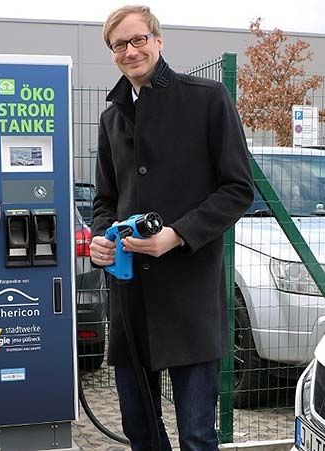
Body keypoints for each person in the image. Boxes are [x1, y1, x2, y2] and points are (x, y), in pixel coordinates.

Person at [90, 6, 254, 450]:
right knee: (139, 430)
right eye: (119, 44)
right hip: (131, 300)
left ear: (159, 41)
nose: (130, 50)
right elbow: (104, 201)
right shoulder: (112, 118)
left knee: (197, 436)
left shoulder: (207, 98)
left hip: (189, 298)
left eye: (138, 39)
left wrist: (176, 235)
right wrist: (101, 240)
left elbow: (238, 189)